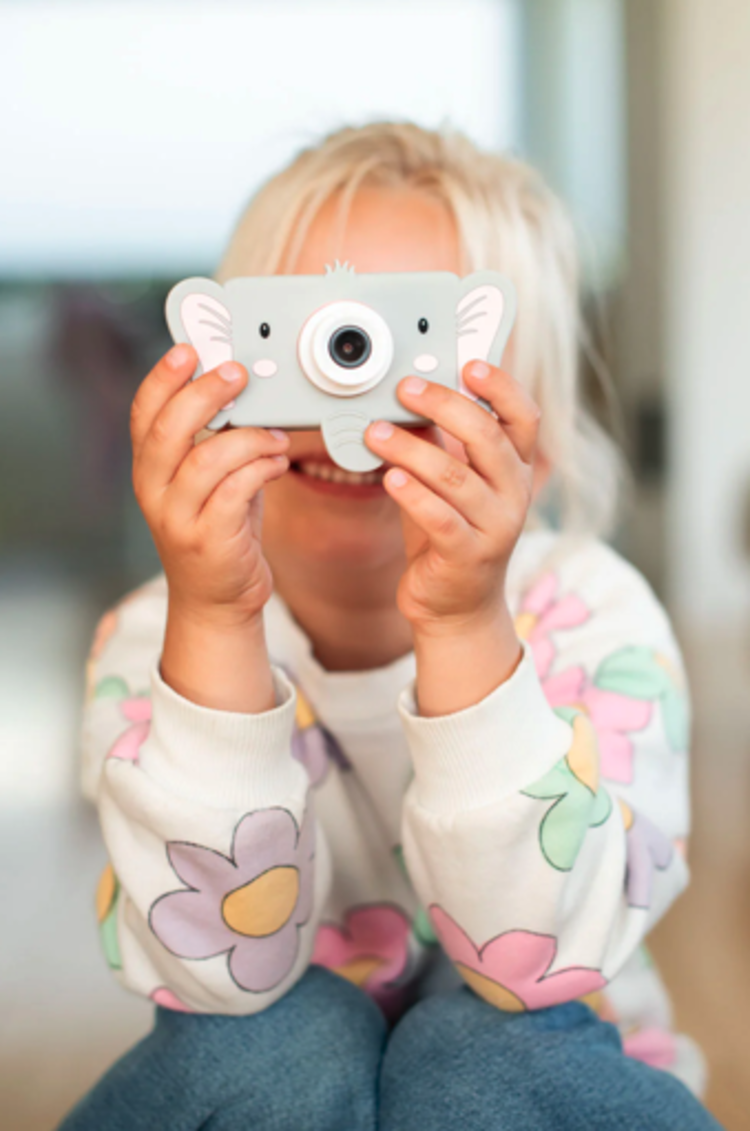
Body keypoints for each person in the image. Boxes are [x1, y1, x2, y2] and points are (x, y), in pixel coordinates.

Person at [59, 122, 722, 1130]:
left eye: (417, 347)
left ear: (534, 440)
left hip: (542, 1079)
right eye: (300, 339)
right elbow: (213, 980)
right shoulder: (157, 641)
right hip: (273, 1080)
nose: (349, 389)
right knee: (272, 1044)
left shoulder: (594, 617)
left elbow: (534, 966)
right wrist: (216, 620)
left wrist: (465, 623)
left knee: (483, 1053)